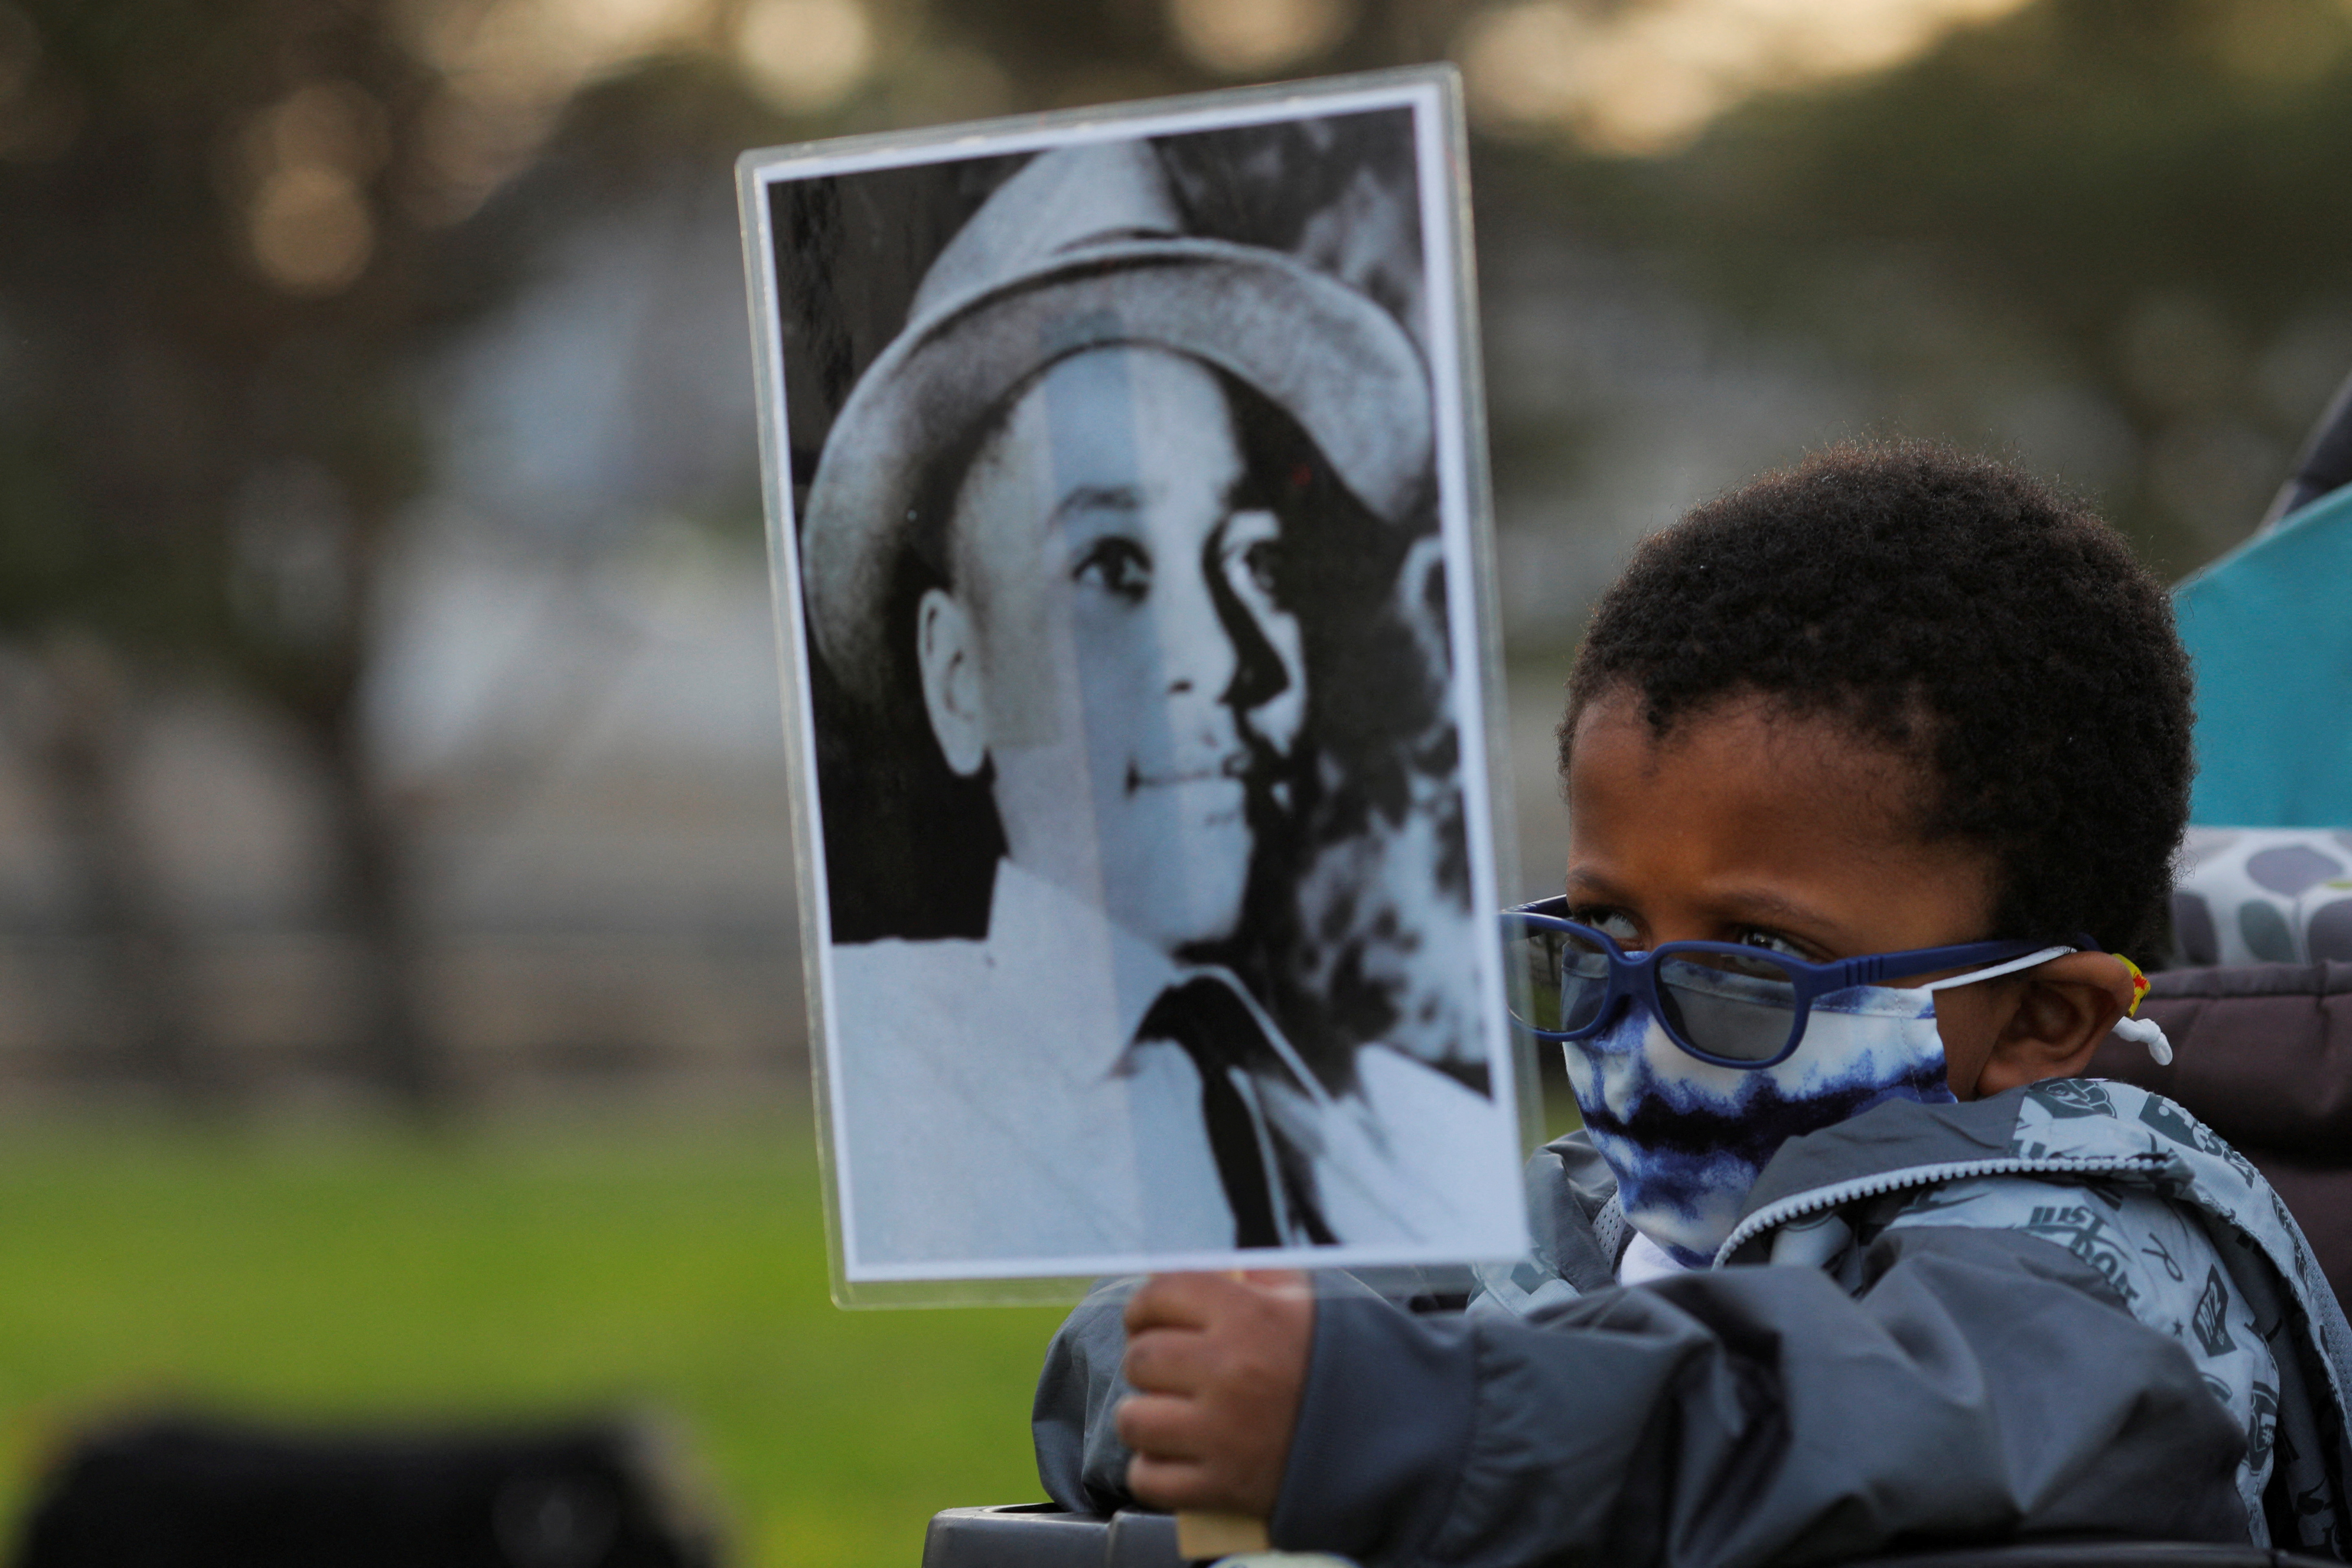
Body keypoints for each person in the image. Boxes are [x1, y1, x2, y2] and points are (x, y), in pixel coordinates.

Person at [1032, 442, 2352, 1564]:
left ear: (2038, 1023)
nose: (1645, 1033)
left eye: (1756, 954)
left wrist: (1391, 1418)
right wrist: (1186, 1355)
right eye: (1605, 928)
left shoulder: (2102, 1265)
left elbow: (1851, 1426)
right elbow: (1301, 1315)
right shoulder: (1618, 1201)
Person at [802, 138, 1521, 1270]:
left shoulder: (1431, 1145)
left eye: (1258, 571)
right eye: (1114, 570)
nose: (1230, 665)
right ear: (956, 675)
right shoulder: (865, 1074)